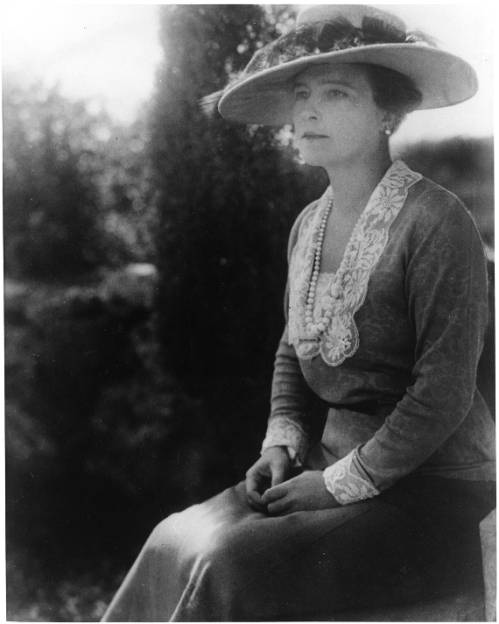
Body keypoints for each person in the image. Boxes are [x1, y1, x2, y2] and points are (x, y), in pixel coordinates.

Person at [102, 5, 495, 621]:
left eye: (336, 94)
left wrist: (337, 485)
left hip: (434, 484)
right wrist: (282, 443)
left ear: (387, 113)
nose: (308, 112)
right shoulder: (308, 224)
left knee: (229, 562)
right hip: (325, 461)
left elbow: (443, 391)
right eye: (302, 94)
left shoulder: (438, 221)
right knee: (171, 538)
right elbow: (295, 348)